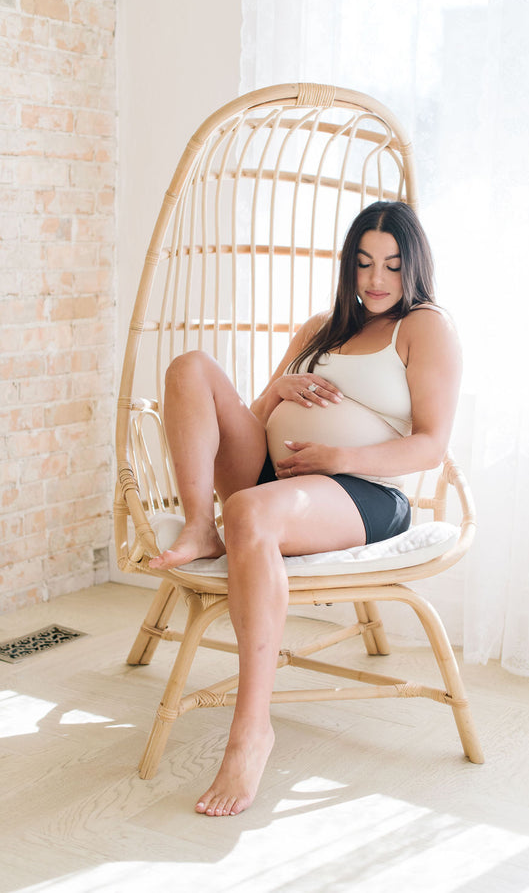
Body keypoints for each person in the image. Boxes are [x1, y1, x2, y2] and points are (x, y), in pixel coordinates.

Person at [148, 200, 462, 817]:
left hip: (359, 492)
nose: (377, 280)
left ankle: (250, 731)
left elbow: (431, 445)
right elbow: (262, 420)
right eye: (365, 263)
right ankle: (197, 524)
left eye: (393, 266)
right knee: (191, 368)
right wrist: (274, 391)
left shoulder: (424, 326)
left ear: (414, 267)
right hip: (272, 475)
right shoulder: (321, 327)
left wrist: (340, 456)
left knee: (250, 515)